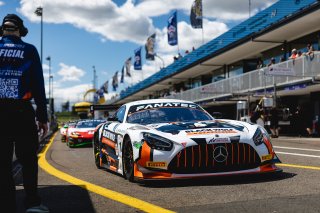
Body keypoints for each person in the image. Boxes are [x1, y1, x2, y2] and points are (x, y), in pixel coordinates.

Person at [0, 14, 49, 213]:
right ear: (21, 31)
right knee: (28, 160)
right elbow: (38, 85)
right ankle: (32, 204)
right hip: (22, 112)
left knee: (2, 164)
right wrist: (43, 118)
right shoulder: (29, 50)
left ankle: (6, 206)